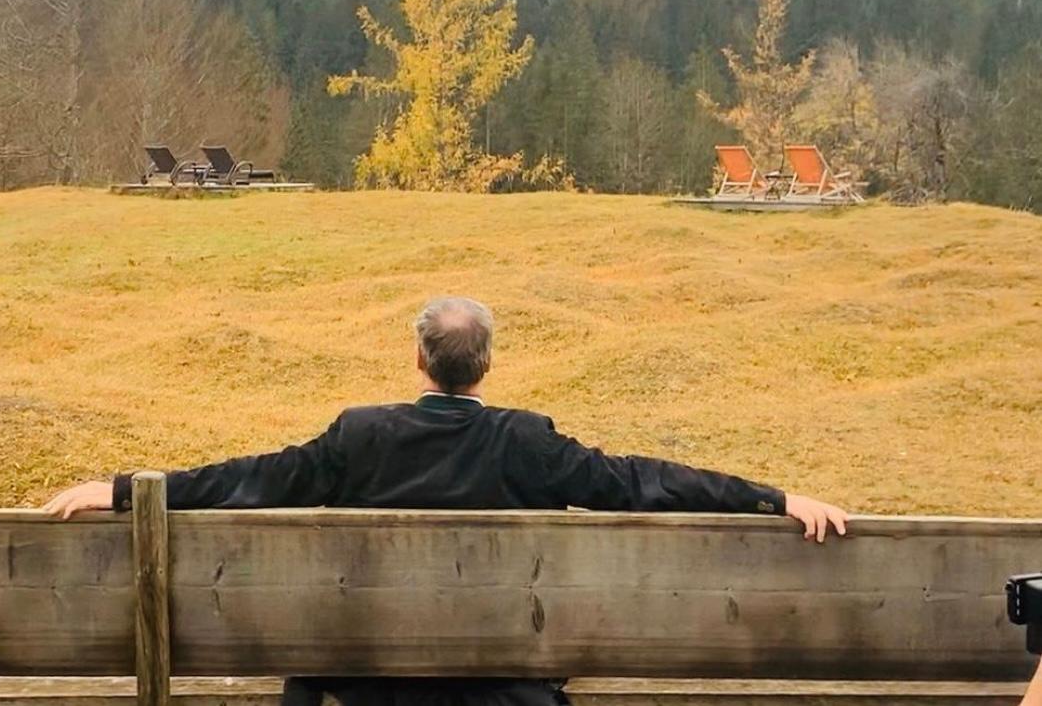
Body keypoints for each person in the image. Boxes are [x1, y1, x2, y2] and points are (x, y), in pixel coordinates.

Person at [45, 296, 849, 706]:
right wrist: (774, 499)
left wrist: (123, 491)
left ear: (418, 358)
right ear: (486, 366)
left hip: (368, 687)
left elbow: (249, 478)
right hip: (499, 689)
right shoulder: (528, 442)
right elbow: (645, 480)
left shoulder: (356, 438)